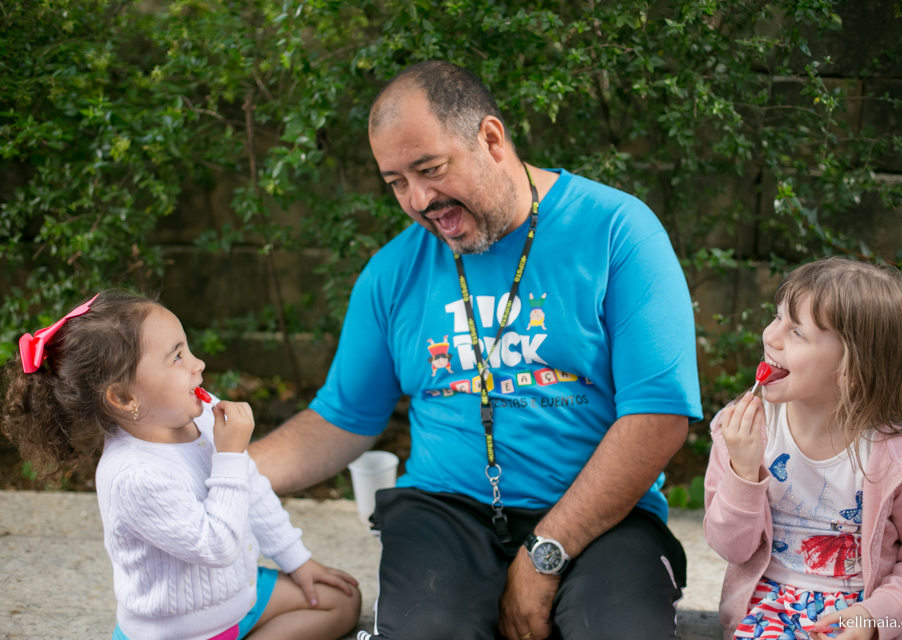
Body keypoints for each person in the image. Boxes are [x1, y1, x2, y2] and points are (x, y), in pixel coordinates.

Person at [249, 60, 702, 640]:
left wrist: (546, 554)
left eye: (430, 169)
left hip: (603, 516)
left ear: (490, 138)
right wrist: (223, 474)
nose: (418, 200)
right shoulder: (391, 273)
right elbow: (341, 420)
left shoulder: (618, 231)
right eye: (395, 183)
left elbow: (657, 418)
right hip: (446, 512)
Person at [1, 290, 361, 640]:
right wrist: (230, 456)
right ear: (124, 397)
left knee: (343, 602)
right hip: (179, 629)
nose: (198, 363)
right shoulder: (133, 475)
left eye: (187, 348)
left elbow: (250, 486)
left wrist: (298, 561)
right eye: (177, 357)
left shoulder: (203, 415)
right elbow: (217, 547)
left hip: (240, 597)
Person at [703, 258, 902, 640]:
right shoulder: (743, 435)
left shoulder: (900, 461)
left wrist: (873, 617)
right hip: (768, 610)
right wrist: (743, 470)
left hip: (864, 613)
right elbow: (731, 549)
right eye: (777, 317)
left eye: (797, 332)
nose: (771, 336)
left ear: (851, 367)